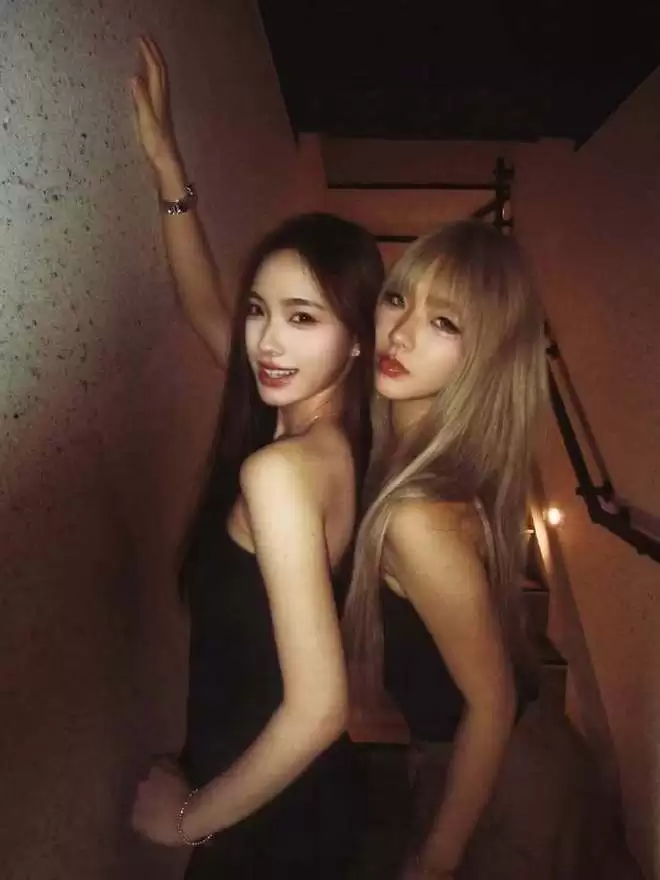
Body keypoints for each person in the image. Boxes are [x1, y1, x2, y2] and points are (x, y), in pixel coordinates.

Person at [128, 37, 384, 878]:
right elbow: (203, 302)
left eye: (304, 318)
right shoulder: (329, 440)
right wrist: (169, 168)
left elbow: (319, 709)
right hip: (291, 803)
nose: (269, 342)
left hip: (271, 824)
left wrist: (187, 822)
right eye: (261, 311)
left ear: (357, 340)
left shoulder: (279, 473)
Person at [343, 221, 548, 879]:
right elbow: (227, 336)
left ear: (486, 355)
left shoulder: (416, 516)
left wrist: (436, 861)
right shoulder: (416, 455)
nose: (400, 334)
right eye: (398, 298)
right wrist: (173, 187)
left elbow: (493, 704)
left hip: (500, 779)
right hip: (472, 756)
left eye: (444, 323)